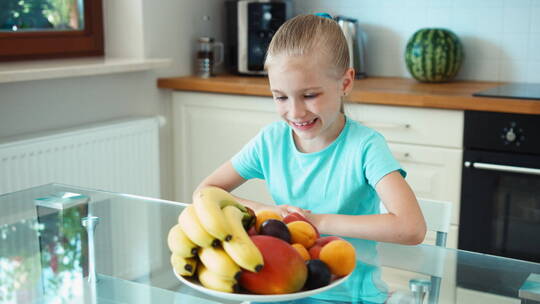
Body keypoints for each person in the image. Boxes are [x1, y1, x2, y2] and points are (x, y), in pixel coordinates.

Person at [195, 14, 426, 303]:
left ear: (345, 82)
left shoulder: (366, 147)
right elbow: (206, 193)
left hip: (353, 294)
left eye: (309, 95)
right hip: (288, 288)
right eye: (281, 97)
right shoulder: (271, 141)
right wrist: (272, 213)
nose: (295, 112)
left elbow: (411, 228)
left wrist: (318, 221)